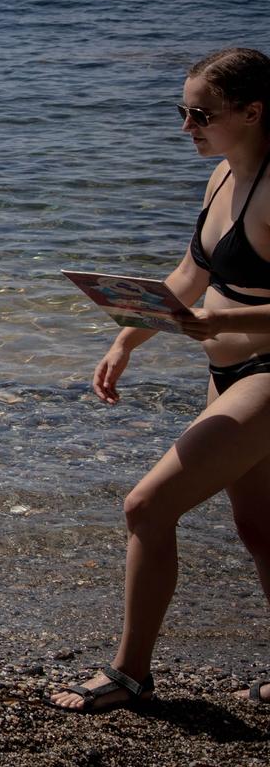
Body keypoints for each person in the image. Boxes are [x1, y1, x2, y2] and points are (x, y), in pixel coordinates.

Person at [50, 47, 270, 715]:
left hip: (265, 372)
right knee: (260, 529)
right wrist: (126, 338)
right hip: (227, 371)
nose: (186, 126)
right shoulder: (223, 179)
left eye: (200, 113)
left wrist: (222, 319)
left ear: (253, 112)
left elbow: (219, 304)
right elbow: (185, 278)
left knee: (147, 505)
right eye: (183, 111)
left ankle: (130, 673)